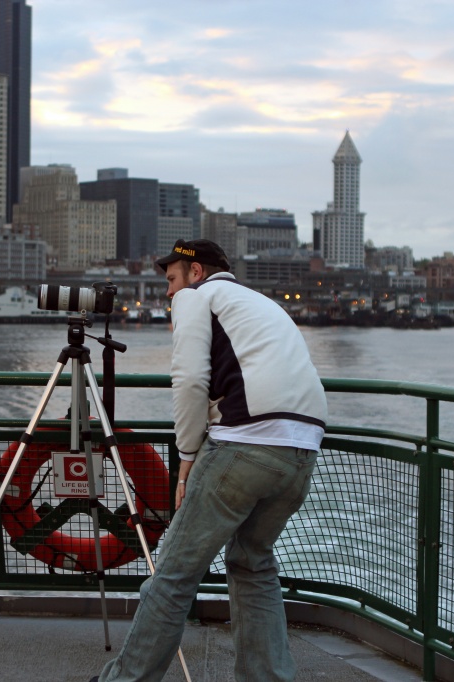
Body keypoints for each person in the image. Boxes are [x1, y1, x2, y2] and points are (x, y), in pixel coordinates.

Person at [92, 238, 327, 682]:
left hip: (244, 443)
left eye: (172, 279)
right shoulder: (261, 304)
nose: (167, 292)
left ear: (196, 273)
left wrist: (186, 459)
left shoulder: (198, 298)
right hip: (302, 450)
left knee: (173, 575)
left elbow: (189, 379)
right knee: (252, 562)